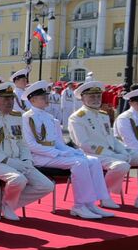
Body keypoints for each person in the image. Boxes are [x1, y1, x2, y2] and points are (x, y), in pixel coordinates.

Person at [21, 80, 116, 219]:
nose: (47, 99)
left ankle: (91, 203)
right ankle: (79, 206)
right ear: (33, 100)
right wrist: (58, 153)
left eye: (46, 96)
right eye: (43, 97)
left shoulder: (51, 118)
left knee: (93, 160)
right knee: (79, 163)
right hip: (38, 157)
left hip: (54, 155)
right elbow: (30, 145)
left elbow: (59, 143)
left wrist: (73, 151)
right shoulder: (26, 118)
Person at [68, 81, 138, 210]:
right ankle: (104, 195)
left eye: (98, 96)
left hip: (112, 153)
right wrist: (114, 155)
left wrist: (124, 152)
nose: (96, 99)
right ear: (82, 98)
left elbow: (112, 139)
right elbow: (84, 144)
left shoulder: (103, 115)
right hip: (92, 154)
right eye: (92, 96)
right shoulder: (77, 118)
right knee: (121, 166)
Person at [0, 82, 54, 222]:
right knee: (18, 179)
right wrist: (7, 161)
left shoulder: (16, 116)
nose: (9, 102)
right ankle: (7, 206)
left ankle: (7, 204)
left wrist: (27, 159)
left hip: (17, 160)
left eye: (11, 98)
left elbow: (22, 142)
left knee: (46, 185)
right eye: (5, 99)